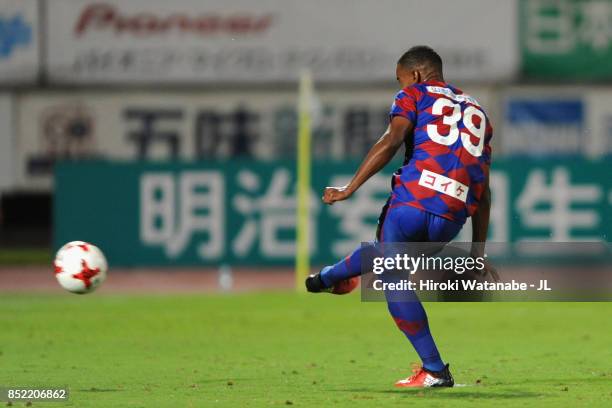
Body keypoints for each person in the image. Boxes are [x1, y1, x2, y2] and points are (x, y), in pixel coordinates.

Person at [305, 45, 493, 388]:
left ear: (416, 75)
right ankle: (328, 278)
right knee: (389, 260)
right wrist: (477, 255)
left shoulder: (414, 94)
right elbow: (486, 189)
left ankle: (435, 369)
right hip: (452, 214)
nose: (400, 84)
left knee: (391, 273)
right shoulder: (477, 109)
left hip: (414, 200)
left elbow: (392, 140)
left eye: (400, 78)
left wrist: (349, 187)